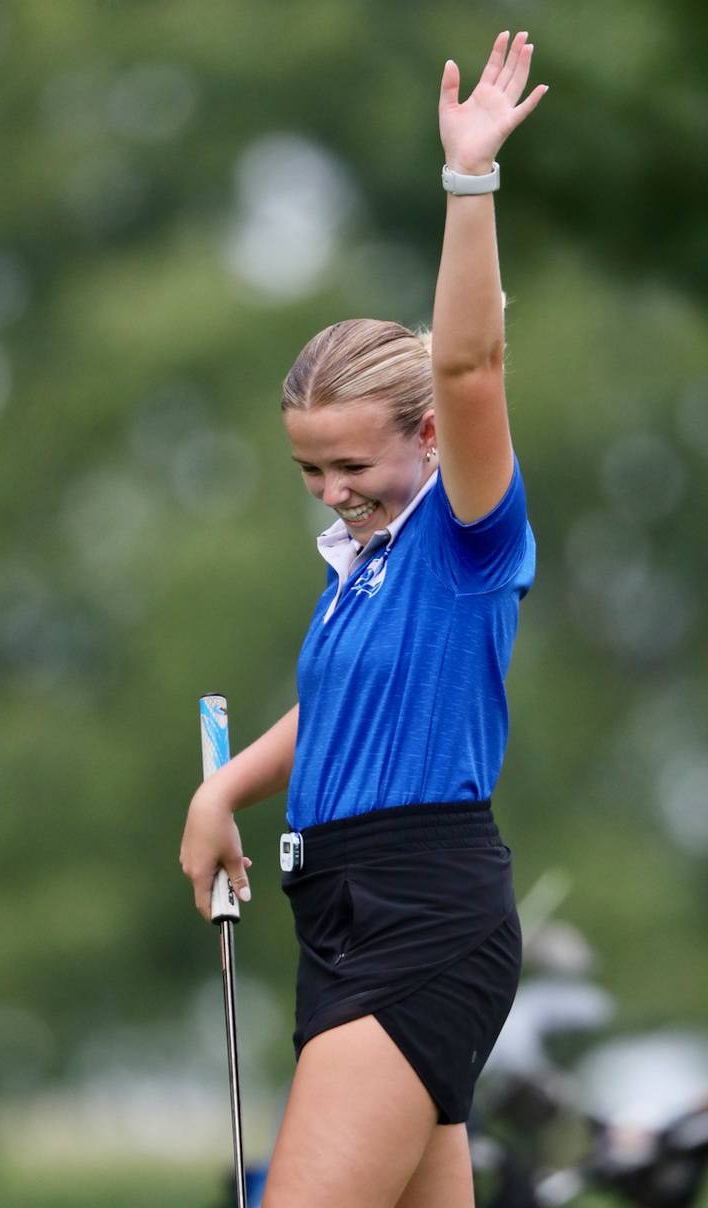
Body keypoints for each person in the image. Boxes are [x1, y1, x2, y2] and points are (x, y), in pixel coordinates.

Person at [180, 30, 548, 1208]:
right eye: (307, 470)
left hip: (418, 913)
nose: (330, 489)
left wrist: (467, 180)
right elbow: (333, 715)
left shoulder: (464, 536)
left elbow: (473, 364)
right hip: (337, 914)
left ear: (426, 439)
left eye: (348, 461)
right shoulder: (360, 571)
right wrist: (221, 787)